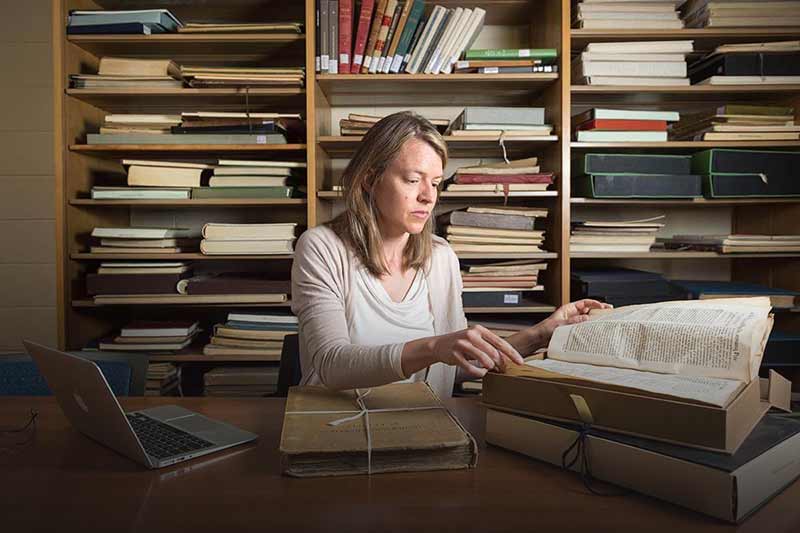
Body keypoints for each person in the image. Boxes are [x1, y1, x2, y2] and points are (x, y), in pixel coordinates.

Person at [291, 111, 609, 399]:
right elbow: (331, 364)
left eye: (435, 183)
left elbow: (456, 364)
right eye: (413, 180)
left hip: (424, 424)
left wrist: (540, 335)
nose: (428, 196)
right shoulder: (321, 248)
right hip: (334, 426)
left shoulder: (440, 257)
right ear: (369, 180)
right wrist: (433, 347)